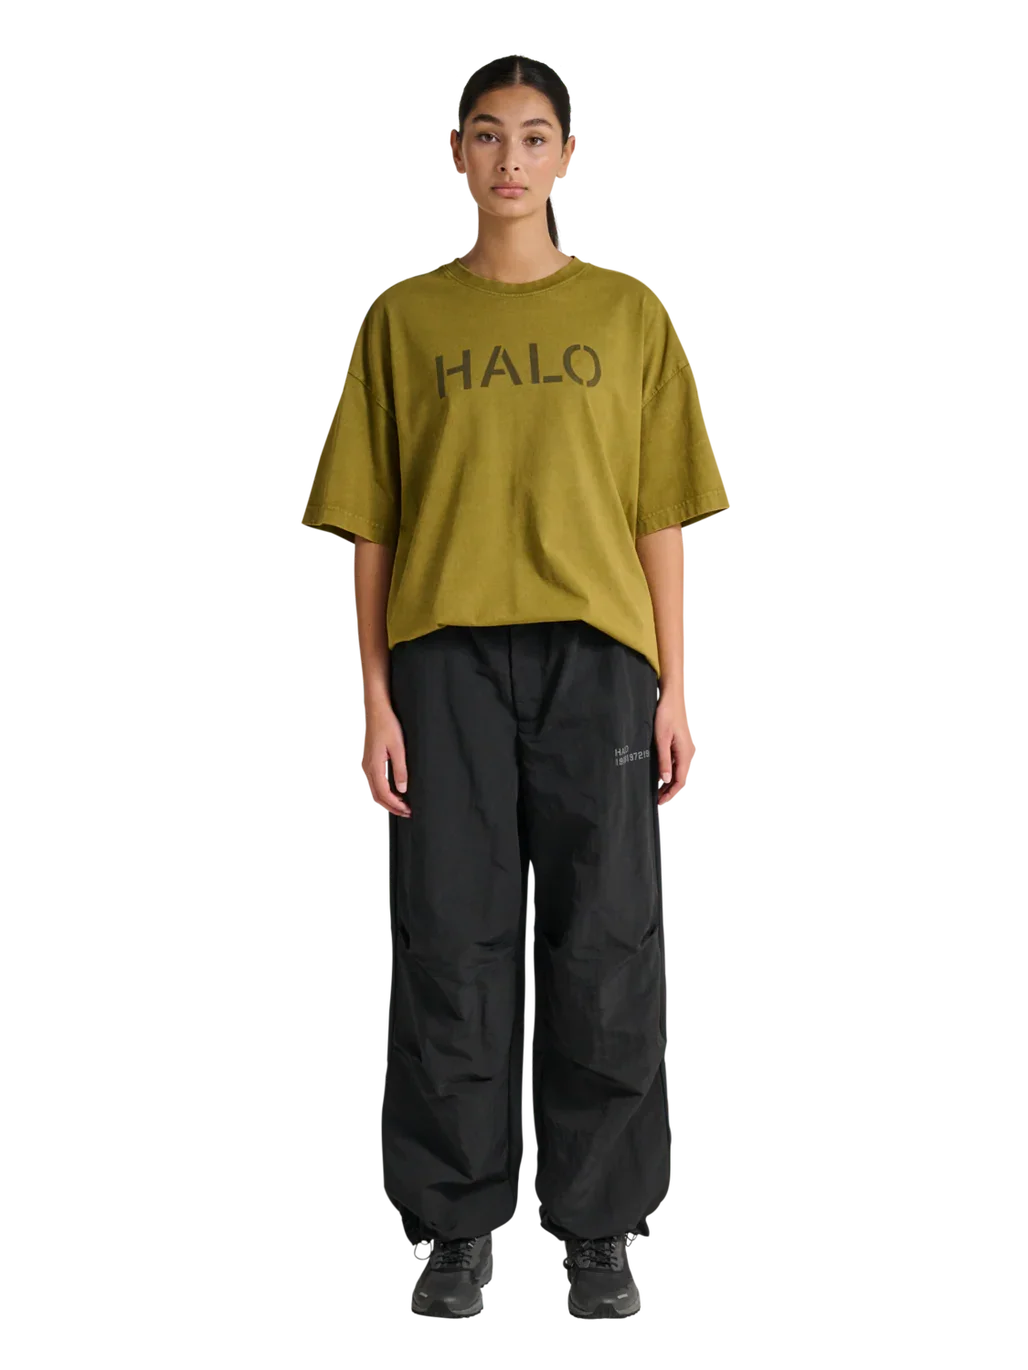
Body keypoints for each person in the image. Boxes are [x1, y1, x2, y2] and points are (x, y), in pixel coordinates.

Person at [299, 53, 731, 1321]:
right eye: (485, 135)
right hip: (443, 660)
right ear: (453, 155)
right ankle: (449, 1229)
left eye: (533, 136)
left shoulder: (629, 315)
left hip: (597, 660)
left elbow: (659, 511)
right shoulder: (404, 319)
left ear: (567, 157)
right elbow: (371, 523)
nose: (508, 159)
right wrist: (374, 694)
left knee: (605, 939)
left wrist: (676, 686)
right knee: (448, 939)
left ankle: (600, 1232)